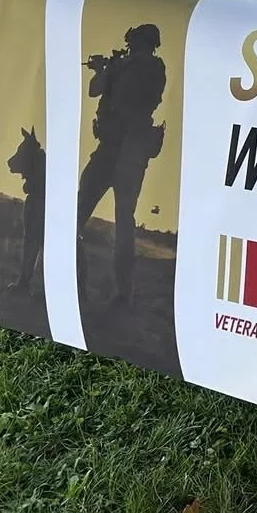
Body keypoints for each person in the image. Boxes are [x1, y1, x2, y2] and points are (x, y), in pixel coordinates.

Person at [76, 23, 167, 306]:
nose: (132, 48)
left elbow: (134, 96)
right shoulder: (123, 66)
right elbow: (94, 90)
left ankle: (122, 292)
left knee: (123, 222)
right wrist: (105, 70)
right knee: (76, 213)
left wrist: (114, 67)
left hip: (131, 150)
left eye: (136, 43)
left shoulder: (151, 67)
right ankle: (76, 279)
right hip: (109, 148)